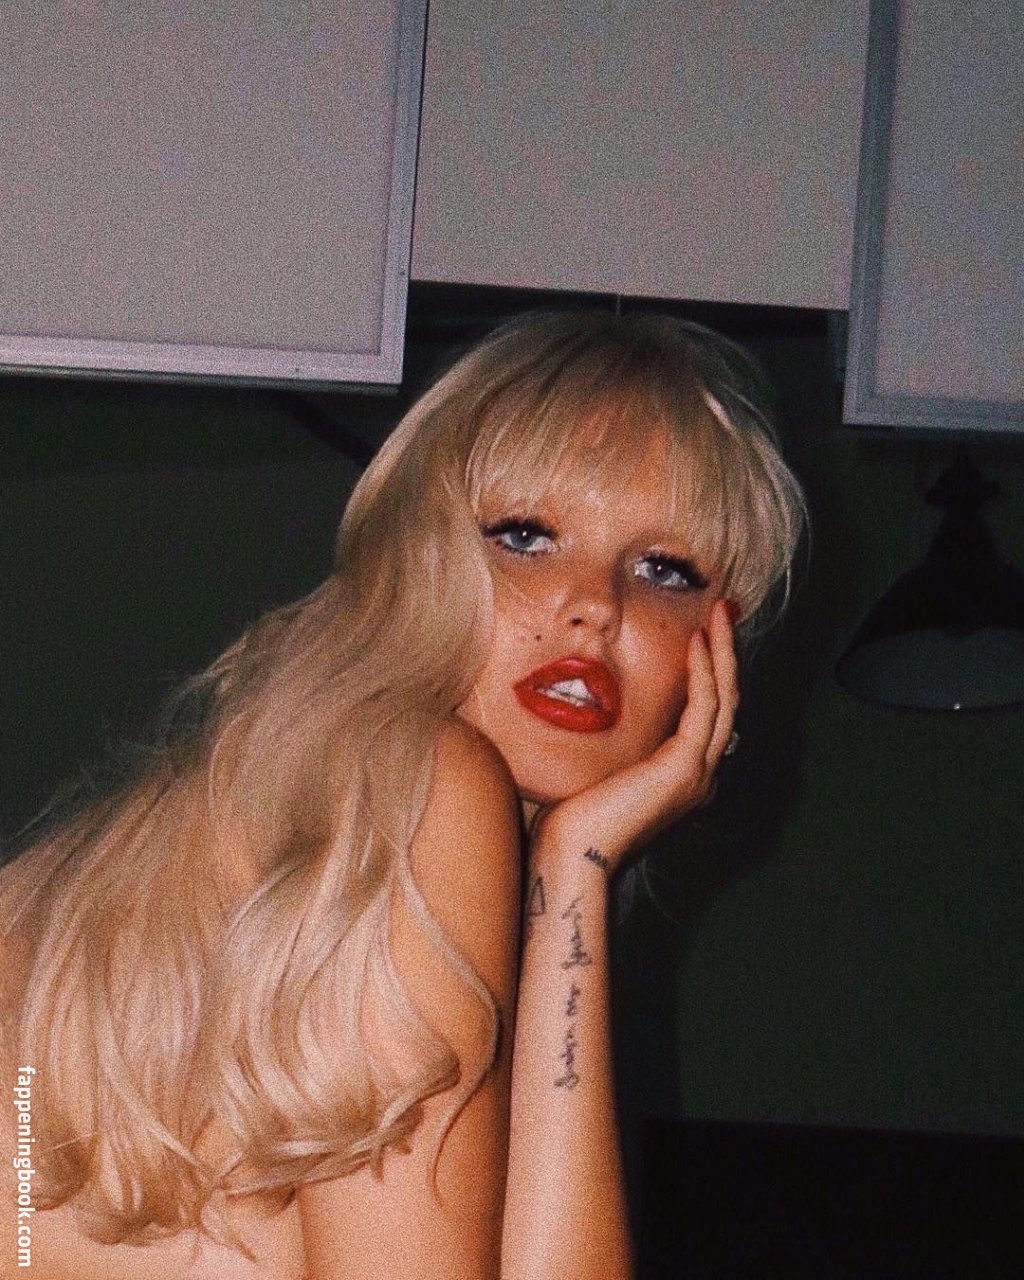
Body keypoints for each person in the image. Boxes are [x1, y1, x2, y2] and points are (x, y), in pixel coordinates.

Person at [0, 307, 805, 1279]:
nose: (595, 605)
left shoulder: (322, 788)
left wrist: (575, 868)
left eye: (664, 569)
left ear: (717, 644)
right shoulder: (423, 786)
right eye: (525, 535)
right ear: (412, 554)